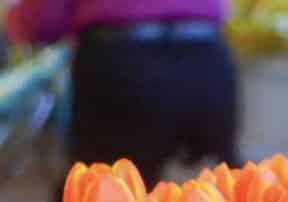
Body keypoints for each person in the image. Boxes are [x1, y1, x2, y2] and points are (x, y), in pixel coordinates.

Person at [6, 0, 236, 192]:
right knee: (224, 201)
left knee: (103, 196)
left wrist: (12, 21)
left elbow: (42, 22)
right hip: (208, 59)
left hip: (124, 62)